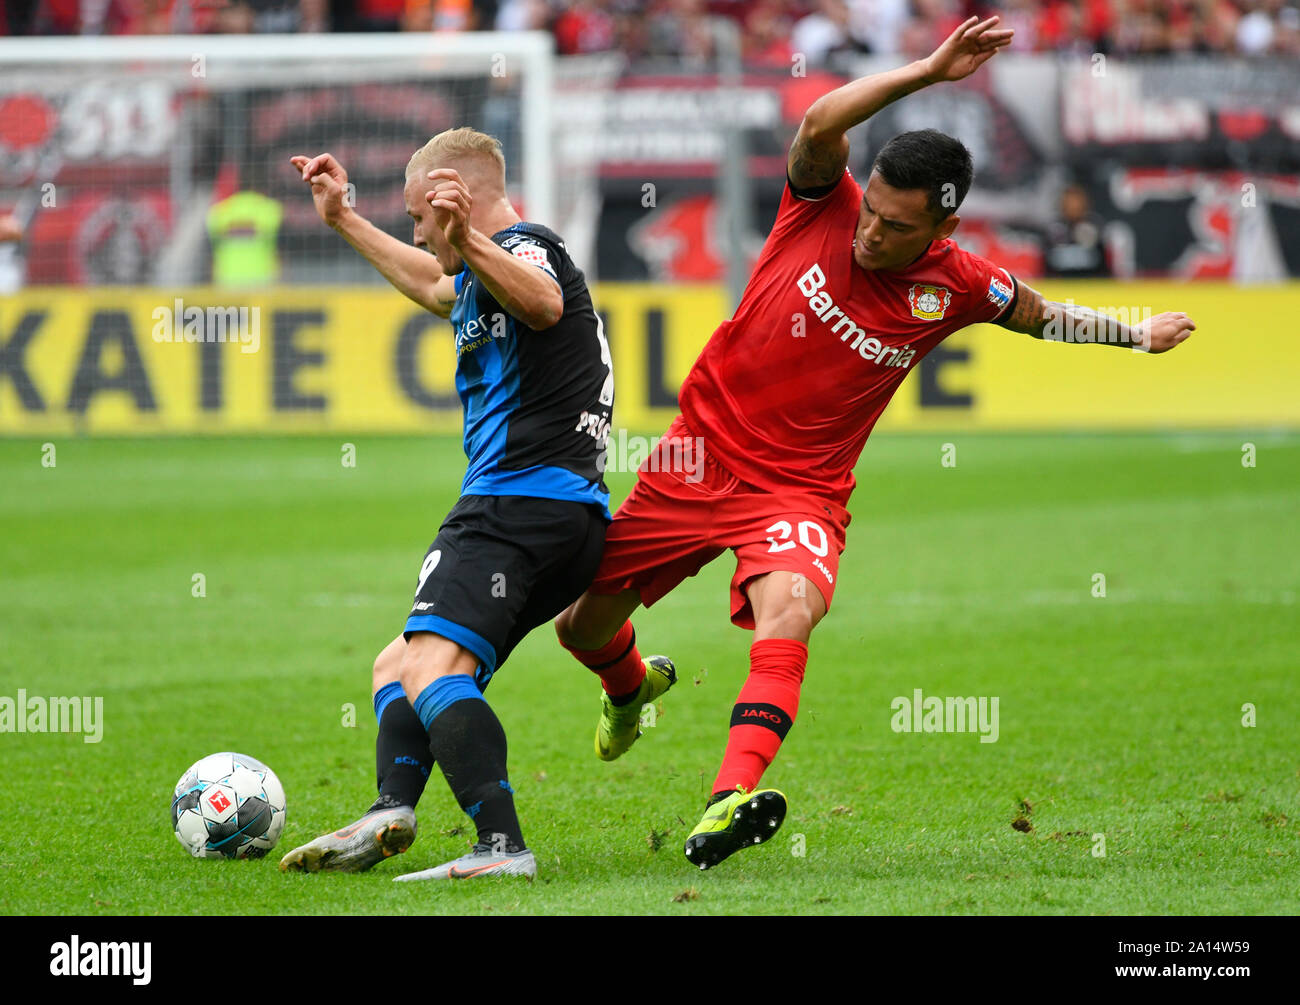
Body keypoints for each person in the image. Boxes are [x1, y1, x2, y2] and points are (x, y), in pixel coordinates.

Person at [556, 16, 1195, 871]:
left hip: (800, 491)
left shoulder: (961, 284)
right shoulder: (824, 205)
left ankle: (726, 800)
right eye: (875, 212)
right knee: (579, 626)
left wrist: (1130, 335)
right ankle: (632, 687)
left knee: (792, 611)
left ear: (943, 227)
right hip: (697, 455)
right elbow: (821, 123)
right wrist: (929, 71)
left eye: (896, 227)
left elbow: (1042, 317)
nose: (871, 234)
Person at [278, 127, 646, 881]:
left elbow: (543, 301)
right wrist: (345, 218)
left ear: (455, 194)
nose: (419, 230)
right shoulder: (483, 273)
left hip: (514, 504)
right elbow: (430, 284)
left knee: (432, 664)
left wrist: (466, 236)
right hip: (561, 518)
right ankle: (391, 807)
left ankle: (502, 847)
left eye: (421, 214)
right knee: (400, 664)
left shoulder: (529, 248)